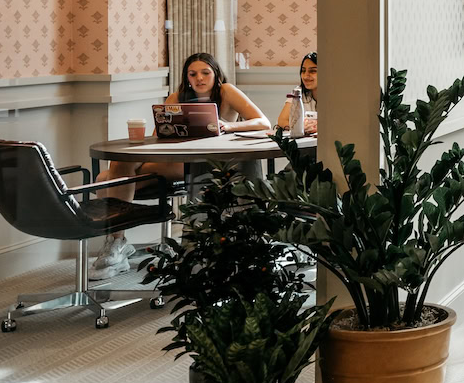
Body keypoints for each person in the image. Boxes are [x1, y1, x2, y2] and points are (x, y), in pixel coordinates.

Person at [91, 52, 269, 278]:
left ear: (216, 74)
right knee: (117, 163)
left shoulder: (226, 91)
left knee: (105, 180)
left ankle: (116, 245)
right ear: (186, 77)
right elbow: (158, 139)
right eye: (193, 74)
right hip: (172, 159)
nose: (200, 79)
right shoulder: (176, 97)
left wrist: (228, 127)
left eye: (206, 73)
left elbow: (263, 122)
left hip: (202, 164)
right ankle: (117, 243)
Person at [276, 51, 319, 134]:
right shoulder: (298, 92)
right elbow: (282, 120)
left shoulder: (335, 93)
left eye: (312, 71)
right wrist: (299, 128)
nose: (305, 76)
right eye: (303, 71)